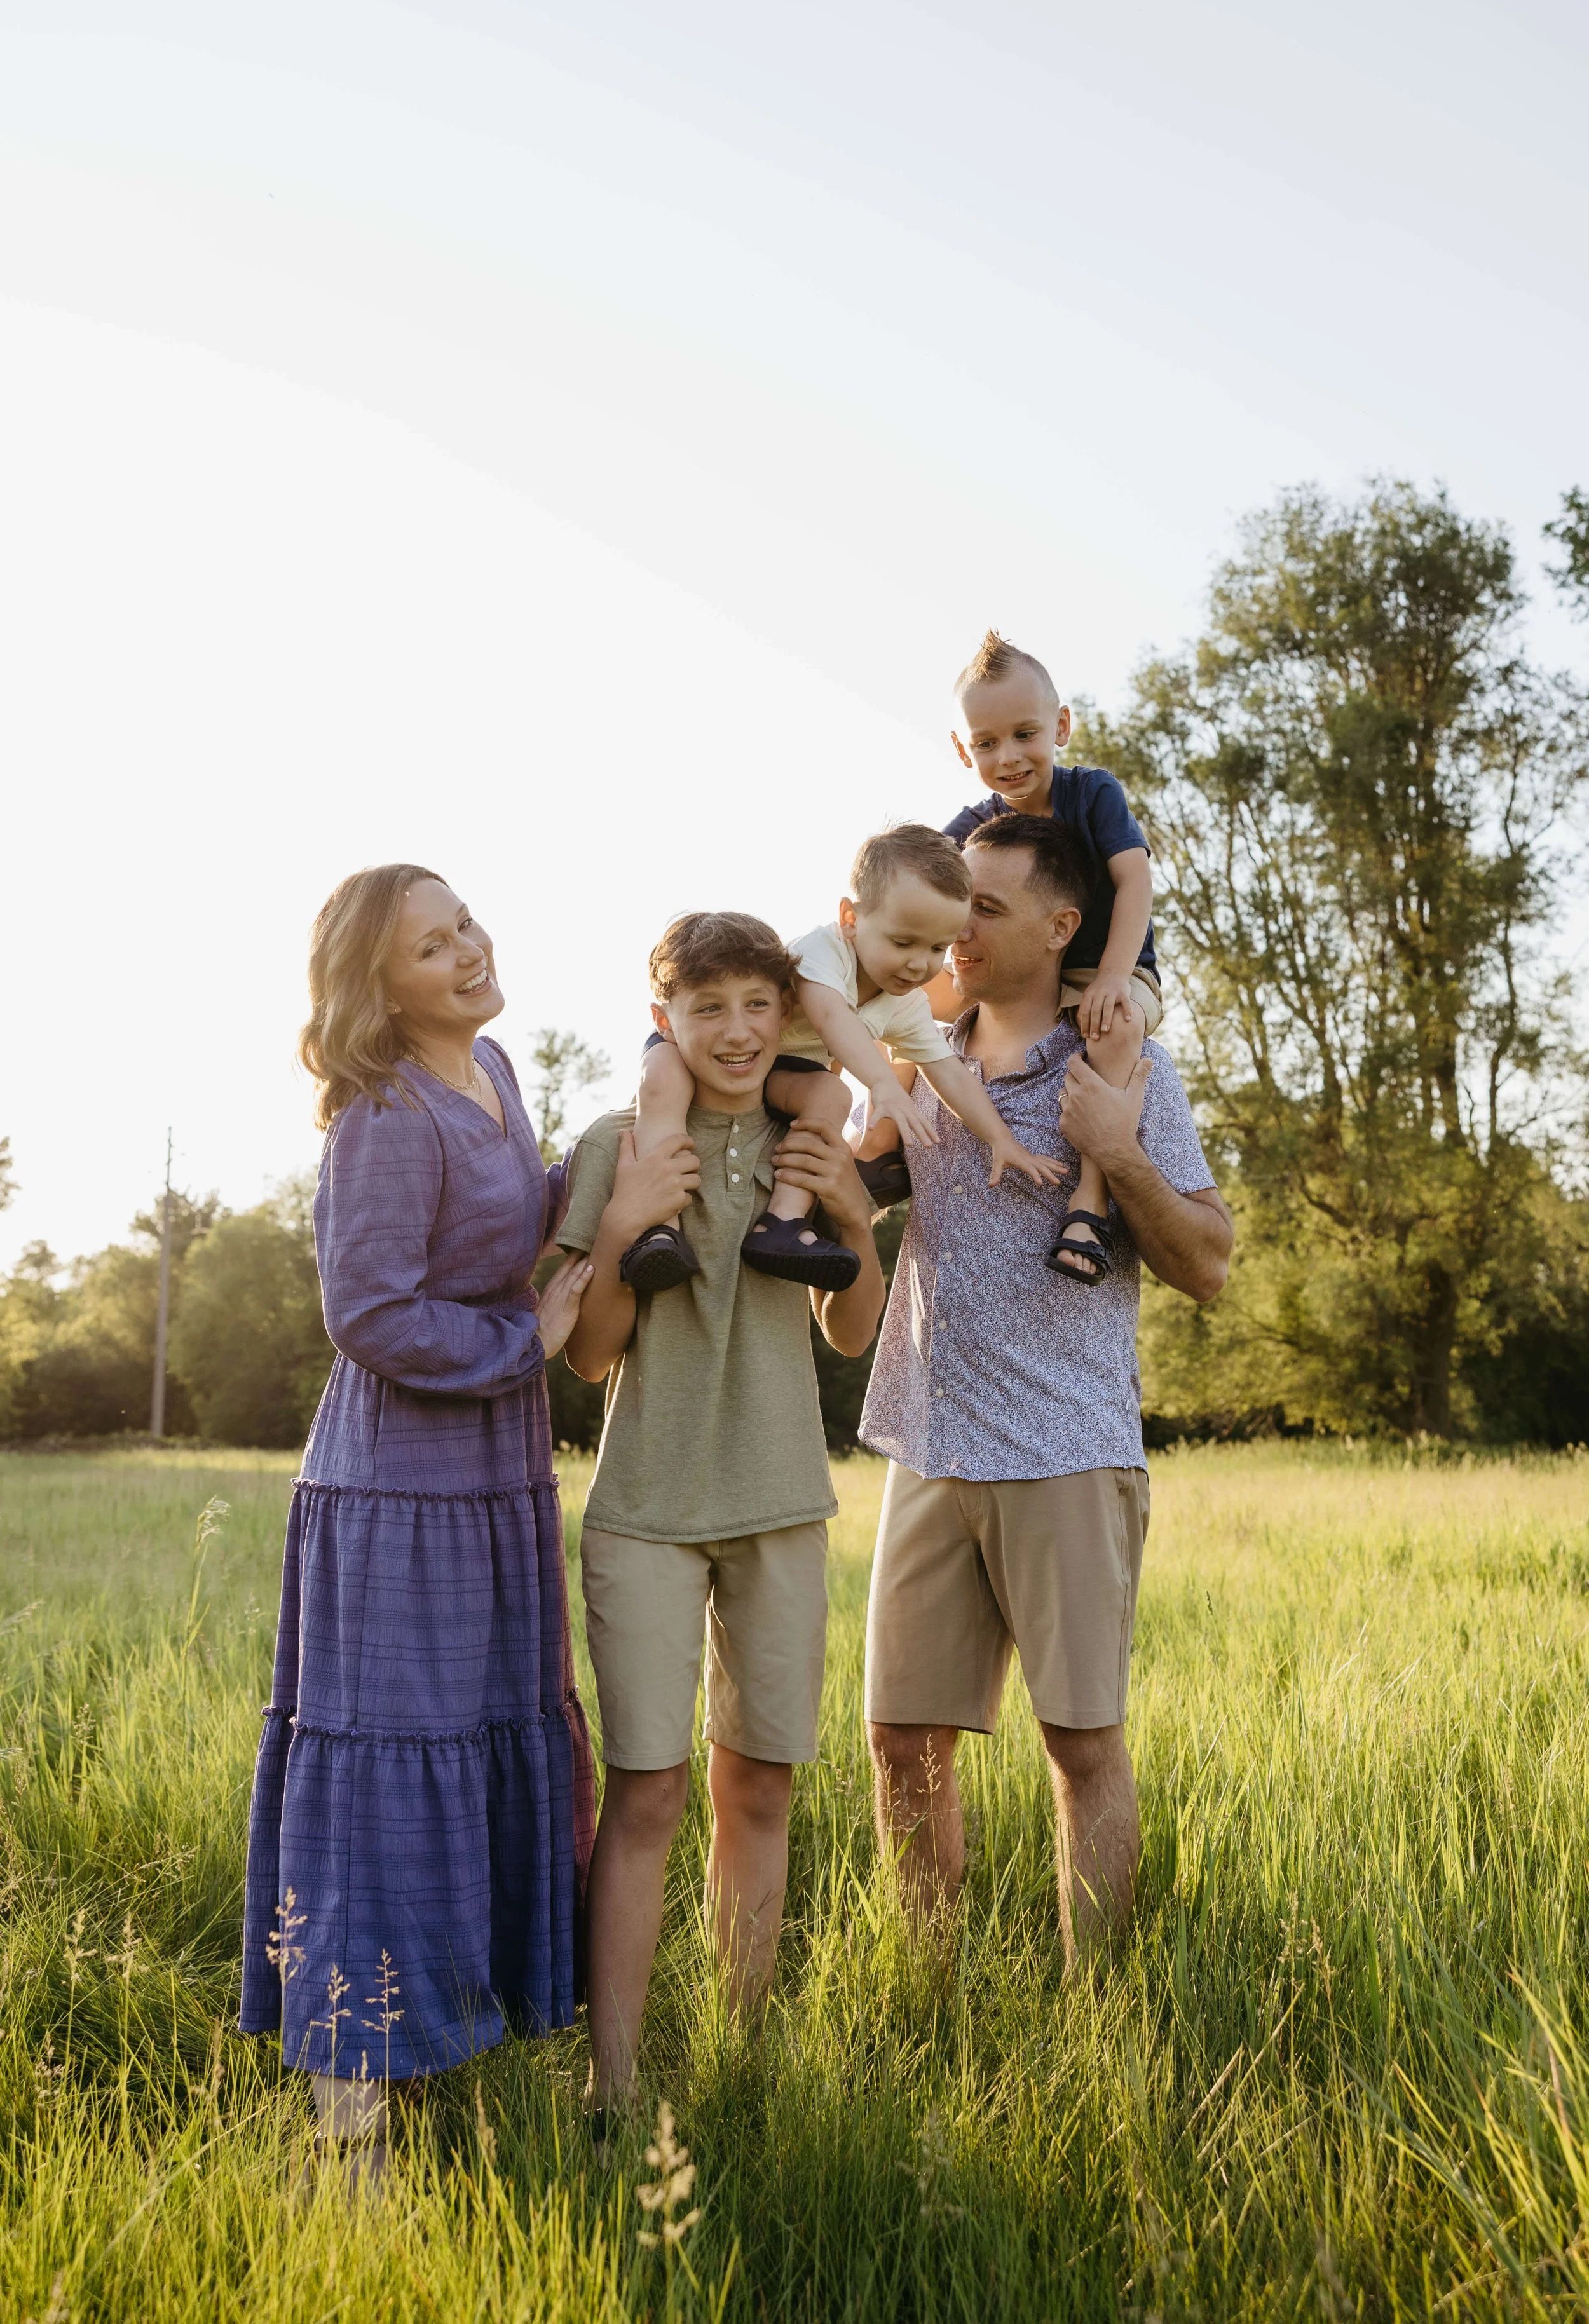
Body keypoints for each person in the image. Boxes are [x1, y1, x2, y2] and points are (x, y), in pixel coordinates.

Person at [238, 864, 613, 2178]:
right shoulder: (384, 1116)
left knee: (475, 1756)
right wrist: (536, 1333)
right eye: (430, 947)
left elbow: (526, 1213)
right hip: (398, 1494)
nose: (466, 951)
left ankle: (439, 2053)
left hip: (493, 1484)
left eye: (464, 926)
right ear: (378, 993)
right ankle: (350, 2142)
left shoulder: (494, 1072)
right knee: (385, 1791)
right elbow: (370, 1312)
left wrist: (628, 1147)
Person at [859, 813, 1232, 1966]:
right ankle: (922, 1995)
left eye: (986, 907)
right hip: (928, 1444)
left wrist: (1116, 1151)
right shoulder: (917, 1051)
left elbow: (1209, 1264)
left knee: (1080, 1746)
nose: (958, 930)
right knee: (901, 1744)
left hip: (1067, 1446)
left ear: (1064, 925)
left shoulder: (1129, 1068)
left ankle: (1098, 2020)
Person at [554, 910, 887, 2121]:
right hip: (644, 1512)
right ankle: (617, 2082)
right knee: (647, 1793)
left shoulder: (813, 1137)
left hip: (782, 1506)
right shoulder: (618, 1144)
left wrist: (852, 1218)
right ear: (666, 1024)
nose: (738, 1032)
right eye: (709, 1011)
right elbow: (591, 1358)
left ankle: (738, 2063)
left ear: (787, 1014)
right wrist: (622, 1223)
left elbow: (851, 1334)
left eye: (759, 1006)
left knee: (761, 1791)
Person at [620, 826, 1059, 1300]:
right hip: (704, 1051)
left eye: (937, 948)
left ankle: (782, 1224)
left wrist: (999, 1138)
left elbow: (948, 1071)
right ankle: (658, 1230)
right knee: (663, 1079)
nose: (919, 965)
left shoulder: (904, 1002)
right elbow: (831, 1017)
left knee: (831, 1094)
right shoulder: (822, 951)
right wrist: (883, 1083)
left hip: (769, 1075)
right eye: (903, 942)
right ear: (850, 918)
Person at [941, 630, 1161, 1286]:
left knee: (1114, 1027)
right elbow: (925, 887)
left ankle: (1088, 1202)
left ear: (1061, 726)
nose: (1007, 757)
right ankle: (883, 1142)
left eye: (1024, 734)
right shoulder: (972, 826)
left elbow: (1134, 880)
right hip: (1021, 971)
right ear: (962, 749)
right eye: (985, 743)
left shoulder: (1091, 793)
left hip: (1106, 966)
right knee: (904, 1012)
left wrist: (1118, 976)